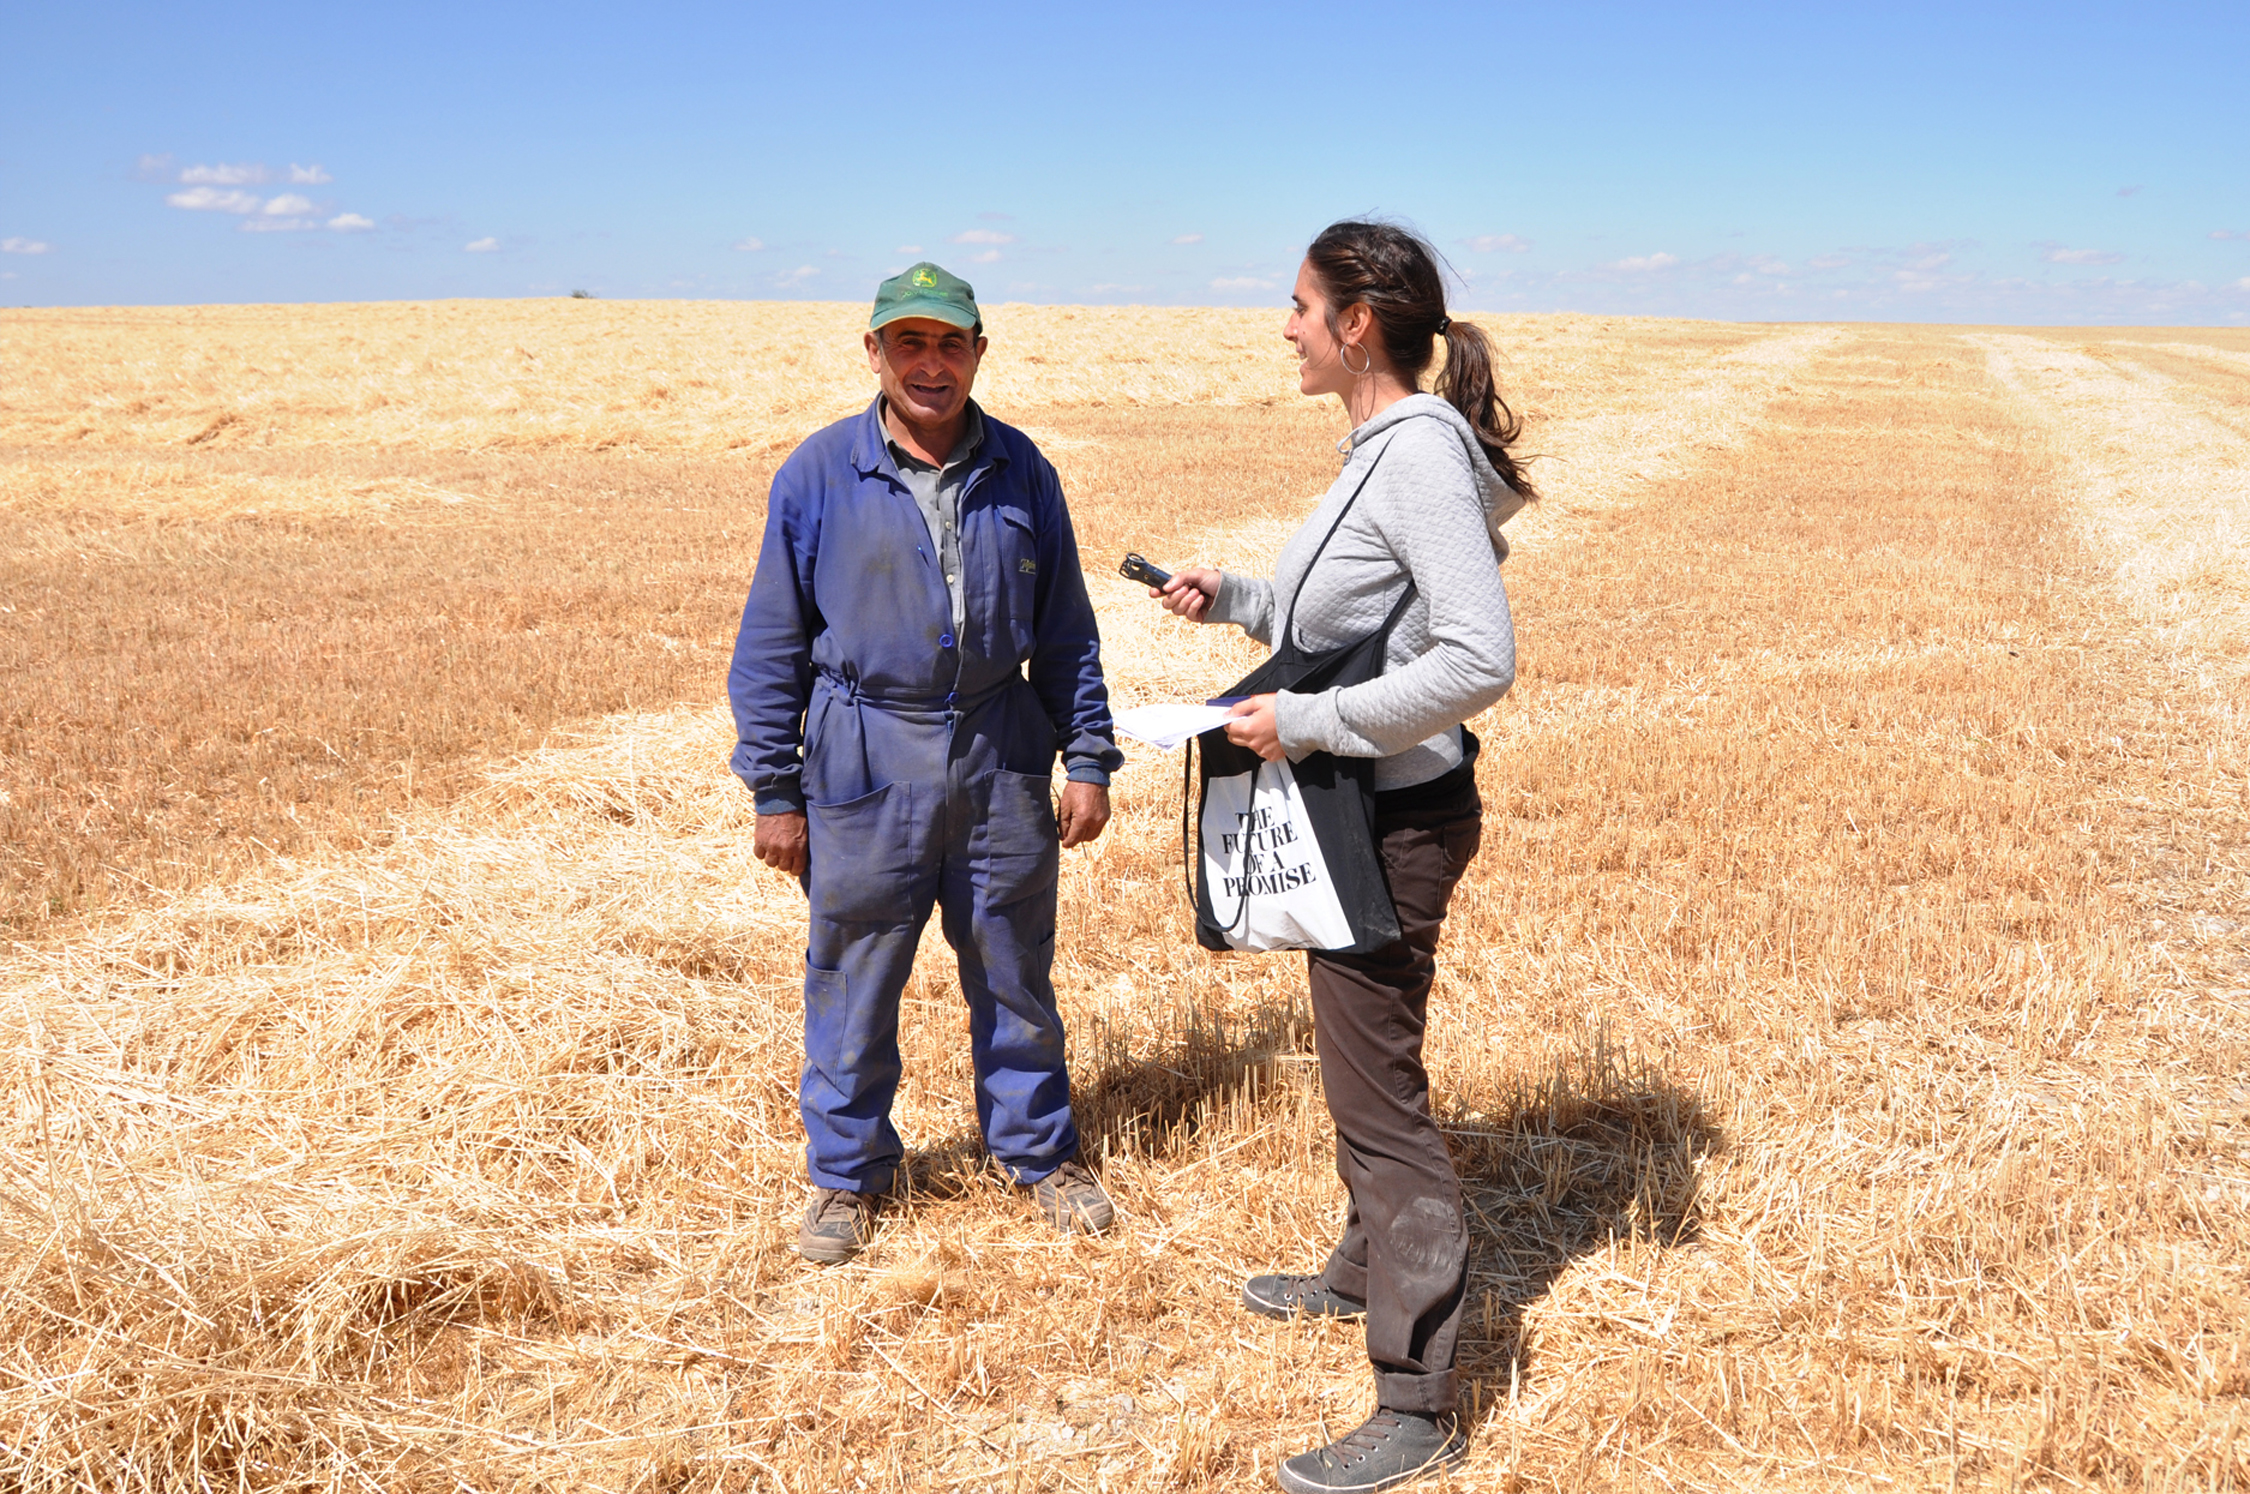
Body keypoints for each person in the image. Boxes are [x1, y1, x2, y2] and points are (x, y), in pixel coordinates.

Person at [1150, 221, 1532, 1492]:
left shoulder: (1415, 455)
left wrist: (1303, 721)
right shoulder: (1386, 450)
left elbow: (1477, 657)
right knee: (1363, 1064)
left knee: (1381, 1101)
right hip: (1363, 812)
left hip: (1393, 819)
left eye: (1302, 305)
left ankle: (1416, 1404)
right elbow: (1363, 616)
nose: (1289, 326)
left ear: (1357, 321)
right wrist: (1243, 596)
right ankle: (1360, 1269)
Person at [730, 262, 1124, 1264]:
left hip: (998, 752)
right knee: (855, 975)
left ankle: (1038, 1153)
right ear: (874, 354)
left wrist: (1087, 755)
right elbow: (772, 644)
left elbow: (1069, 633)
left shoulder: (1024, 471)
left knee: (1013, 968)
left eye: (951, 344)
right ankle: (846, 1176)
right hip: (863, 759)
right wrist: (776, 789)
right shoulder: (819, 474)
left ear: (980, 353)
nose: (931, 365)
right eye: (910, 343)